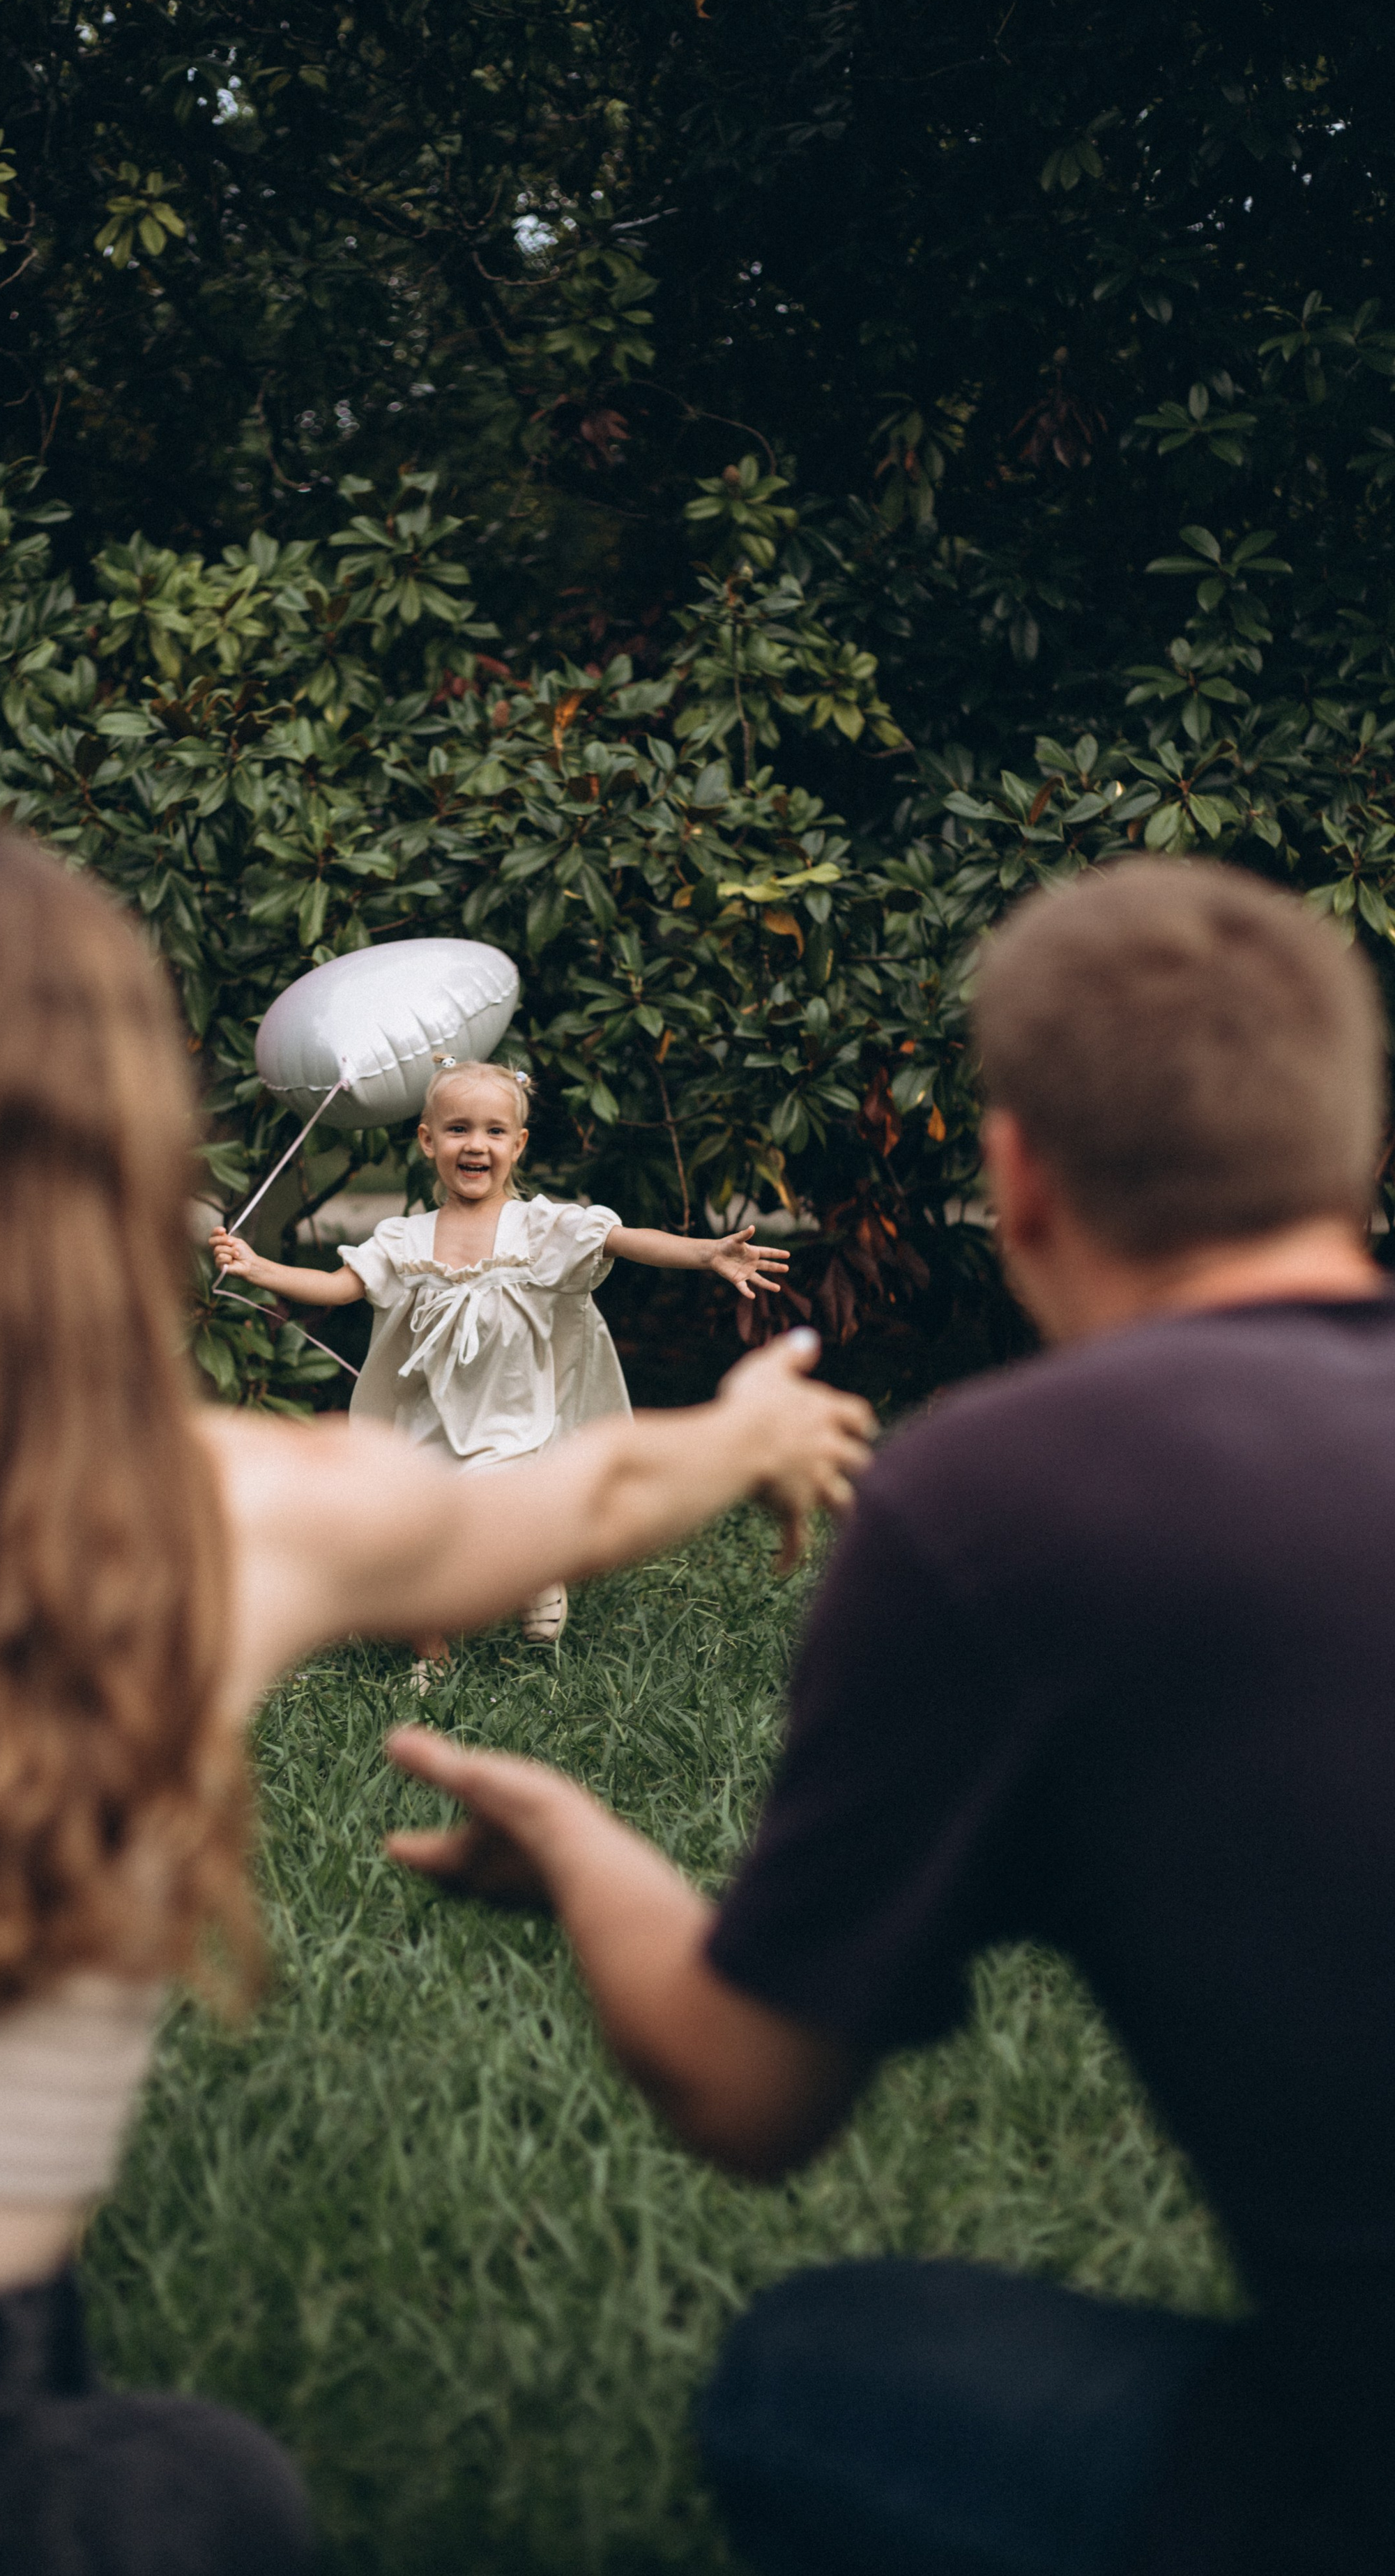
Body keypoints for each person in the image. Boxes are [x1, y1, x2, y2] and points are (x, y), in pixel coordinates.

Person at [0, 831, 876, 2576]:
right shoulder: (205, 1509)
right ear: (122, 1150)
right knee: (216, 2487)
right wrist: (744, 1434)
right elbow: (561, 1506)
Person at [386, 856, 1395, 2576]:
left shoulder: (1001, 1495)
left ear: (1013, 1178)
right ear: (1356, 1158)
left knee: (812, 2366)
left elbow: (746, 2087)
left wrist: (572, 1837)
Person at [211, 1057, 788, 1662]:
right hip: (430, 1418)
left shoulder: (540, 1228)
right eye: (458, 1129)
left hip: (513, 1416)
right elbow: (340, 1286)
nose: (475, 1145)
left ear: (519, 1144)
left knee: (495, 1510)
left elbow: (620, 1240)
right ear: (428, 1141)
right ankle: (431, 1659)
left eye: (493, 1131)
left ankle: (533, 1570)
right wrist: (260, 1268)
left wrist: (705, 1254)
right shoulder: (406, 1238)